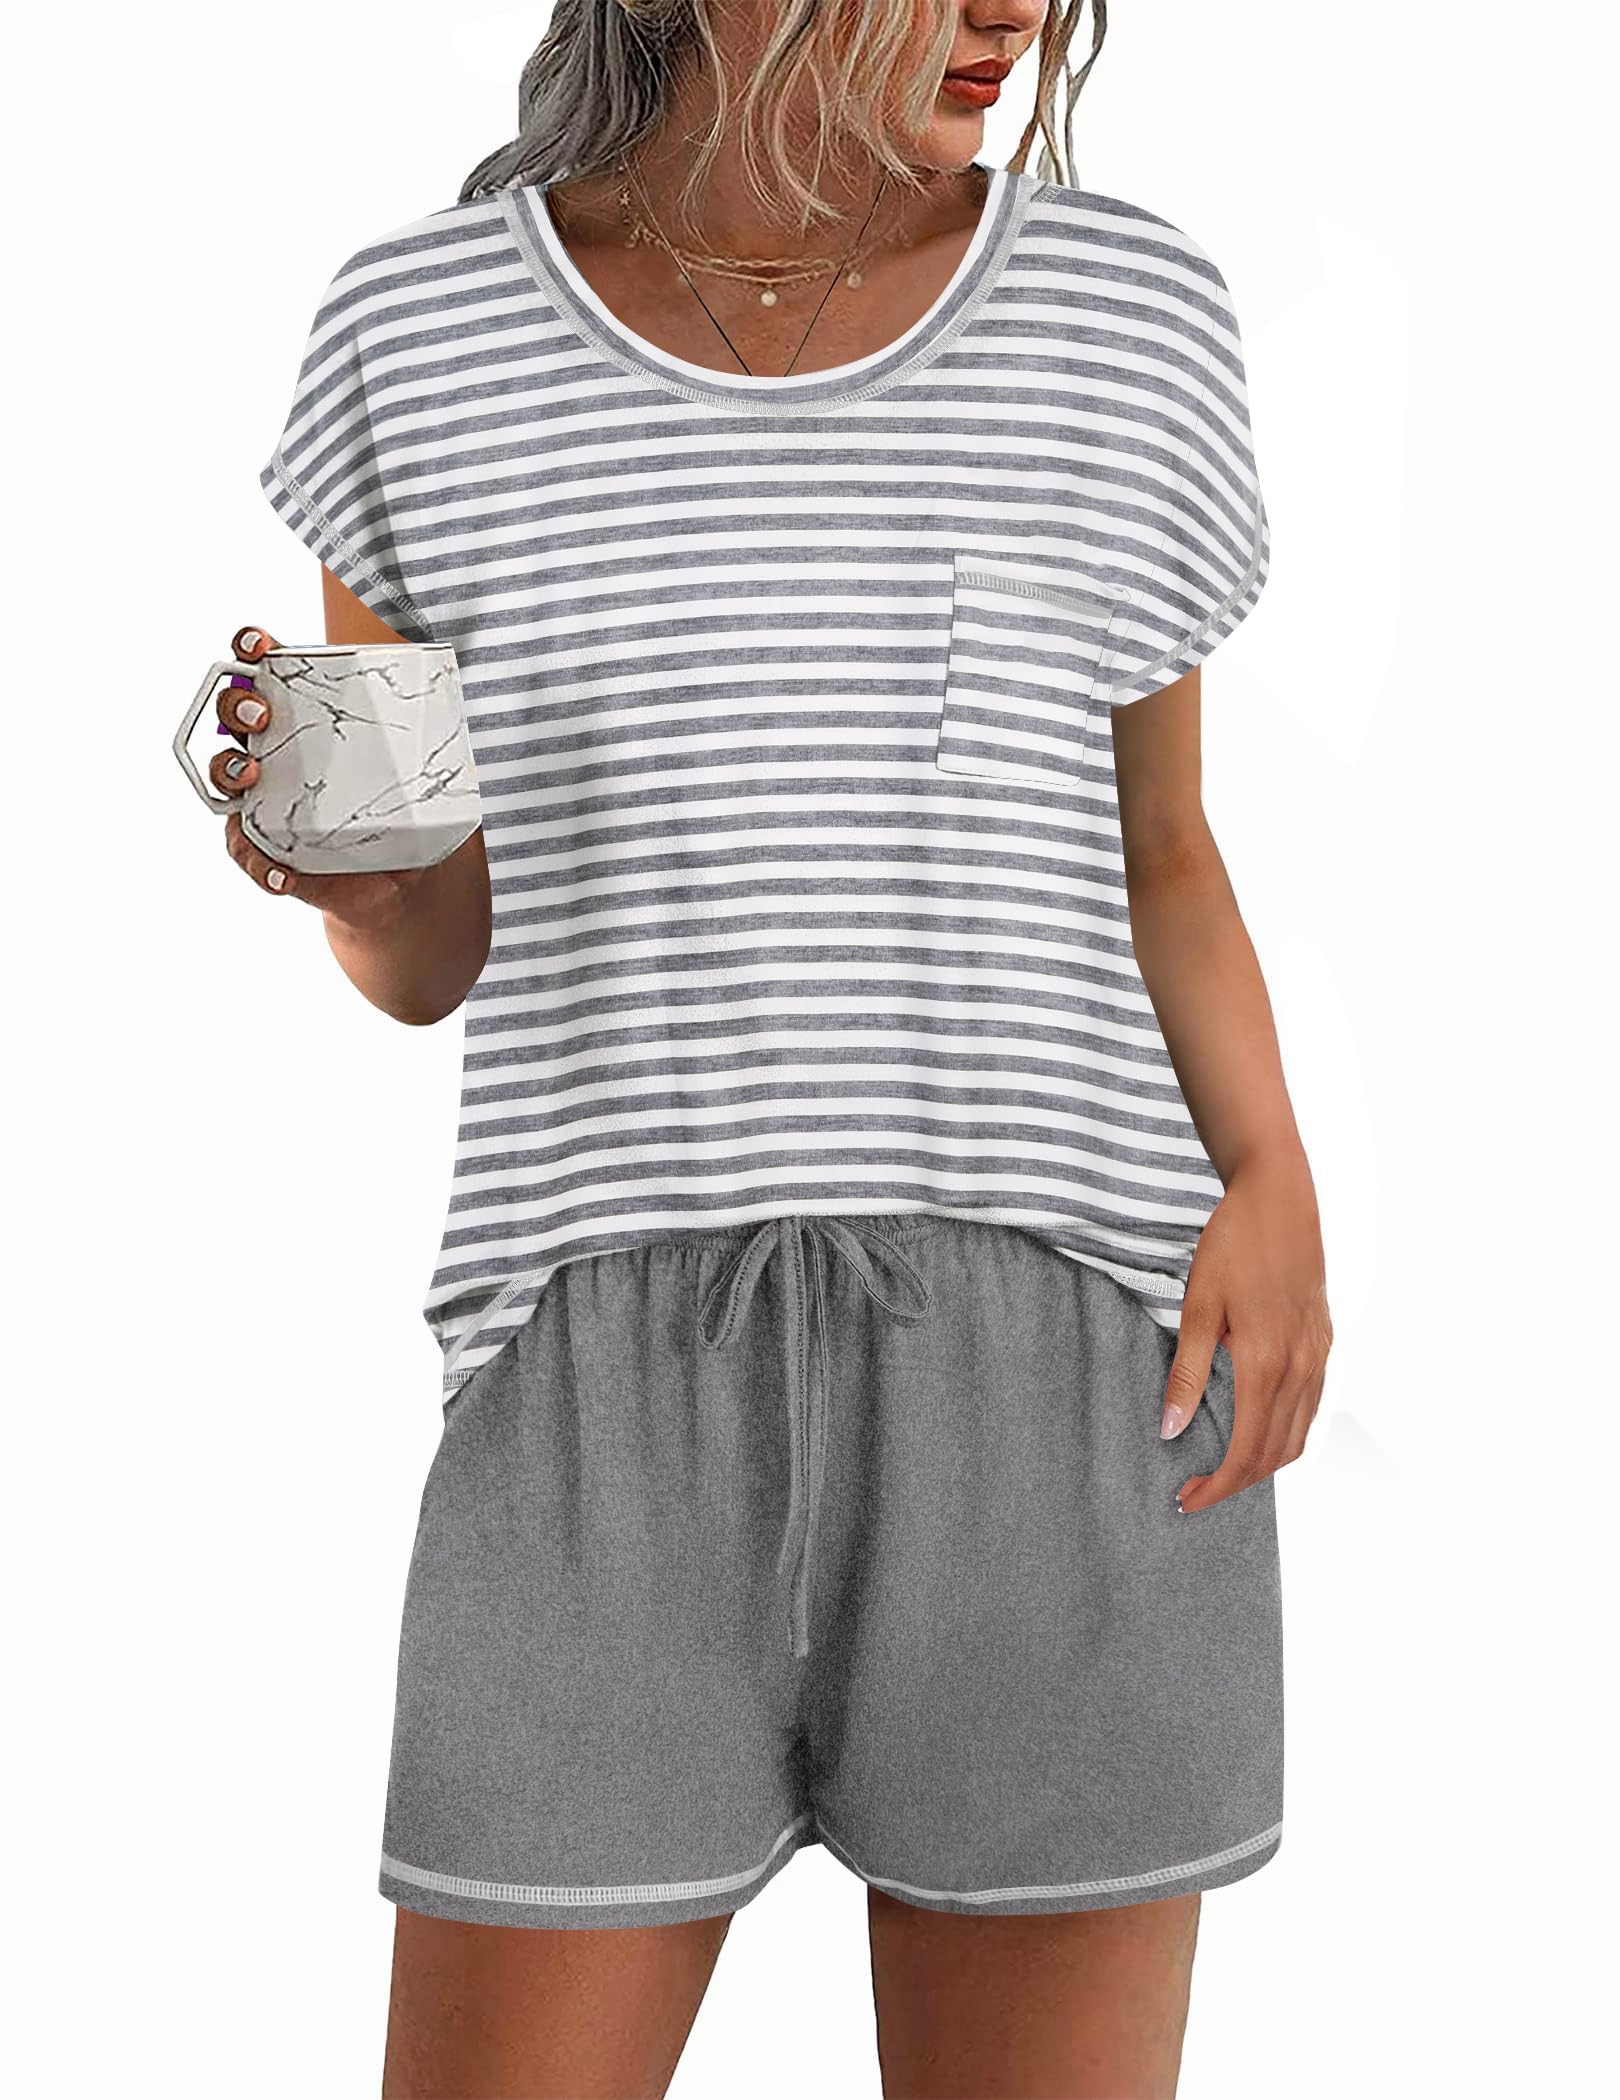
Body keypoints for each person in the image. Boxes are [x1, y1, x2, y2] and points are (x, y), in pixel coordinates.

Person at [221, 0, 1332, 2090]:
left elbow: (1164, 849)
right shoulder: (417, 336)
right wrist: (357, 885)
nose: (1017, 14)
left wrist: (1274, 1181)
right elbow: (428, 958)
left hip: (1065, 1368)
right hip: (593, 1390)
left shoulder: (1127, 316)